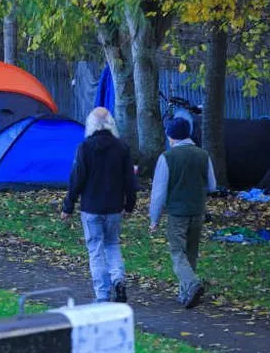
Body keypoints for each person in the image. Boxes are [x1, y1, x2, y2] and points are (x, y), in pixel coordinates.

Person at [61, 107, 136, 303]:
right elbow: (130, 179)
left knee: (95, 250)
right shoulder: (122, 148)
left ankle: (102, 294)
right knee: (112, 245)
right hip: (114, 207)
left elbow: (77, 179)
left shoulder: (85, 147)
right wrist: (129, 205)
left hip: (91, 207)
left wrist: (68, 206)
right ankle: (118, 279)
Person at [149, 117, 217, 308]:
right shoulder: (203, 155)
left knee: (177, 252)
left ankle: (192, 284)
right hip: (197, 210)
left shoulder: (167, 158)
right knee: (191, 252)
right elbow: (212, 184)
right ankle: (186, 294)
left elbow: (159, 192)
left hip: (177, 213)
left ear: (171, 137)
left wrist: (154, 218)